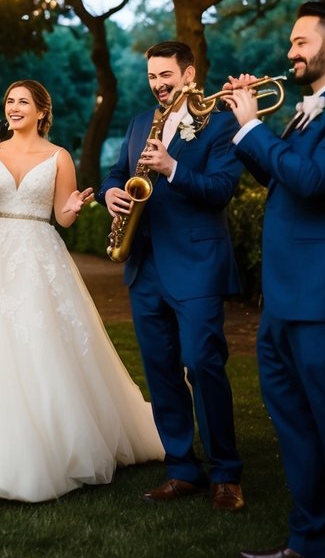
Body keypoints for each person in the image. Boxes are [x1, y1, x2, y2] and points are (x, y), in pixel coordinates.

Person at [0, 79, 163, 501]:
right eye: (9, 100)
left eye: (23, 101)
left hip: (39, 252)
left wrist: (73, 208)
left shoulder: (59, 156)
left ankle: (50, 444)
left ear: (42, 111)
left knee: (40, 342)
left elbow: (62, 217)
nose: (14, 107)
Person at [99, 40, 245, 511]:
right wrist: (111, 194)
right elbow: (115, 171)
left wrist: (172, 167)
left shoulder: (221, 122)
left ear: (189, 73)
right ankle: (183, 469)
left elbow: (222, 189)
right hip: (147, 267)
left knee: (203, 364)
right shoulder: (141, 121)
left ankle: (226, 473)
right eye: (152, 78)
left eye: (167, 75)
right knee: (160, 372)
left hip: (198, 266)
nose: (159, 85)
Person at [222, 0, 325, 558]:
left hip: (321, 300)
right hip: (283, 298)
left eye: (301, 42)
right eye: (291, 43)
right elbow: (277, 174)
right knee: (296, 429)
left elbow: (313, 181)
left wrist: (252, 126)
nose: (290, 53)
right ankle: (309, 542)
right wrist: (243, 128)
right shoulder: (307, 110)